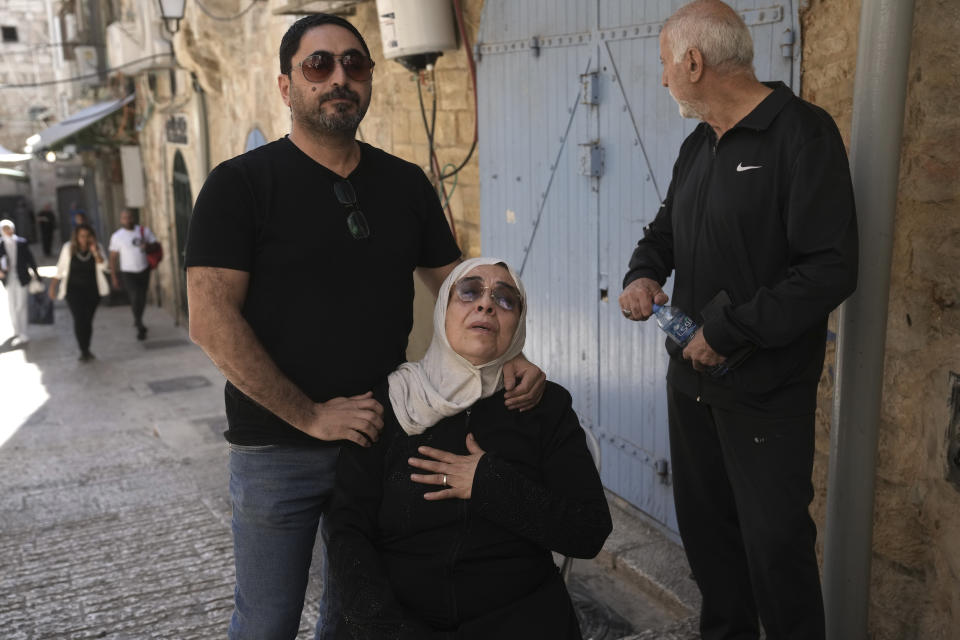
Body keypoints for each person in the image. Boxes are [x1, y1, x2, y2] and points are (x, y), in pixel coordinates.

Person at [184, 14, 546, 640]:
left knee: (358, 619)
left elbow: (456, 280)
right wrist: (311, 415)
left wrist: (507, 352)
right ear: (285, 86)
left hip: (383, 440)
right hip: (277, 448)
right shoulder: (239, 185)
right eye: (318, 65)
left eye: (354, 63)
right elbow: (210, 320)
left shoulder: (403, 183)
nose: (338, 78)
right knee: (266, 622)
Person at [618, 2, 858, 639]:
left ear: (694, 62)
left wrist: (727, 332)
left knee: (775, 551)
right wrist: (642, 273)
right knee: (709, 548)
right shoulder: (699, 144)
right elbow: (662, 233)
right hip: (690, 387)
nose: (664, 79)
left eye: (667, 65)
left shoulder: (803, 134)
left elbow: (830, 268)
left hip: (765, 393)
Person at [322, 258, 611, 640]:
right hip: (398, 618)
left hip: (518, 614)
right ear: (442, 309)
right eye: (470, 292)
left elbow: (588, 531)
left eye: (506, 299)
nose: (486, 305)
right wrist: (386, 628)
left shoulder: (544, 407)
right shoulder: (390, 401)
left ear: (517, 327)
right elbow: (346, 530)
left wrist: (489, 483)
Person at [48, 223, 110, 361]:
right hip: (73, 291)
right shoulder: (68, 248)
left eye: (87, 236)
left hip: (93, 291)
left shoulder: (97, 247)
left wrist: (95, 252)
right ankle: (84, 350)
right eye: (82, 236)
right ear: (76, 236)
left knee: (87, 321)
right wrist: (53, 287)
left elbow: (105, 266)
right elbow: (60, 268)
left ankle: (86, 347)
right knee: (79, 319)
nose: (84, 239)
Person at [109, 209, 156, 341]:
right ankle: (139, 323)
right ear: (121, 220)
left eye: (129, 217)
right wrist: (114, 277)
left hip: (144, 269)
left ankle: (138, 318)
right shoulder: (117, 236)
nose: (127, 220)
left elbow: (155, 245)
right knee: (135, 297)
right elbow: (113, 258)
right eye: (124, 218)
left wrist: (147, 246)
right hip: (127, 272)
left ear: (133, 218)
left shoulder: (143, 231)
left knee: (141, 297)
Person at [0, 218, 40, 346]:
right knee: (12, 304)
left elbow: (30, 259)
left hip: (22, 277)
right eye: (4, 229)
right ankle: (16, 330)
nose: (7, 231)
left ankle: (24, 331)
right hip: (8, 279)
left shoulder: (21, 243)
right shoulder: (0, 245)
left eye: (9, 228)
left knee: (21, 305)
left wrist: (37, 275)